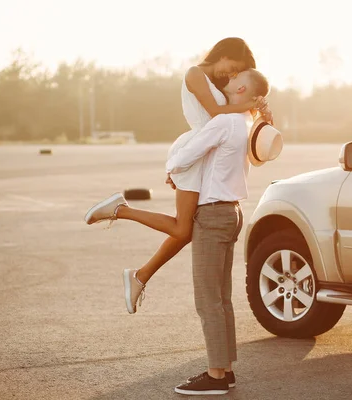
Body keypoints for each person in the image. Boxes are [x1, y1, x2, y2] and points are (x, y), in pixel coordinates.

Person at [84, 38, 272, 314]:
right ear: (224, 54)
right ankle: (121, 211)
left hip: (204, 154)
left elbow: (232, 121)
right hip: (194, 150)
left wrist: (260, 112)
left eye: (237, 72)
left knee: (184, 231)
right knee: (182, 229)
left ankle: (139, 275)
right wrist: (248, 108)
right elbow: (217, 113)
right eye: (234, 67)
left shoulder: (222, 85)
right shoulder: (195, 74)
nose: (232, 74)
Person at [165, 68, 280, 395]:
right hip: (231, 212)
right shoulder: (244, 121)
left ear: (241, 87)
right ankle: (225, 369)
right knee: (221, 298)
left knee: (207, 300)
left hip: (213, 213)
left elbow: (184, 156)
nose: (226, 78)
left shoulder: (223, 122)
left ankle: (217, 375)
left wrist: (171, 169)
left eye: (233, 77)